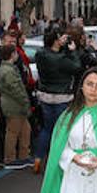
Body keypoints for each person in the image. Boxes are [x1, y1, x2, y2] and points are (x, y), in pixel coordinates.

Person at [32, 30, 81, 174]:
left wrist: (63, 47)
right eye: (60, 38)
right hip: (62, 96)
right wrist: (72, 52)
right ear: (55, 40)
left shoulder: (40, 55)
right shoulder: (61, 59)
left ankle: (38, 158)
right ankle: (59, 159)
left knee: (47, 128)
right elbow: (76, 67)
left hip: (45, 95)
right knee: (62, 129)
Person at [0, 38, 32, 168]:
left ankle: (24, 156)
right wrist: (25, 102)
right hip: (13, 105)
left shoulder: (9, 68)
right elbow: (16, 89)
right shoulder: (8, 71)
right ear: (12, 55)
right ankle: (10, 158)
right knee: (13, 132)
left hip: (17, 106)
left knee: (25, 131)